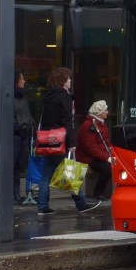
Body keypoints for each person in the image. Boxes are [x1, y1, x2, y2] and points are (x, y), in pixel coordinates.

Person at [36, 67, 96, 215]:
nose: (70, 81)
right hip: (61, 141)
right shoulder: (64, 97)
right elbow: (67, 121)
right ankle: (81, 203)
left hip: (47, 141)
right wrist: (72, 143)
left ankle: (42, 206)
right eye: (68, 78)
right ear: (62, 80)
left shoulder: (47, 96)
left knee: (46, 176)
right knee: (69, 172)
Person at [76, 101, 114, 202]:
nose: (107, 112)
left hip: (96, 155)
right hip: (87, 157)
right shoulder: (90, 125)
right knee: (107, 168)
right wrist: (107, 157)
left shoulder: (97, 123)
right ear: (99, 112)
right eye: (105, 110)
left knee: (111, 165)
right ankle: (98, 192)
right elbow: (90, 148)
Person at [12, 72, 35, 204]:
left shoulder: (23, 97)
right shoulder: (12, 97)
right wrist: (19, 127)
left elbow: (27, 115)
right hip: (16, 136)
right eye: (22, 78)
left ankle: (16, 194)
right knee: (13, 165)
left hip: (24, 135)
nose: (24, 81)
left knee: (19, 165)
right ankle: (13, 194)